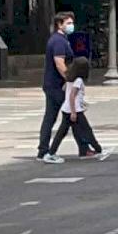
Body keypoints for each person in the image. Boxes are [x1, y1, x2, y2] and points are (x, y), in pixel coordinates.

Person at [44, 57, 107, 162]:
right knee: (87, 131)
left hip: (67, 109)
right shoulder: (78, 80)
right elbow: (72, 95)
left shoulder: (70, 78)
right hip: (75, 111)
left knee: (63, 133)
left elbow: (65, 89)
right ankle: (99, 150)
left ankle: (52, 152)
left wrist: (79, 102)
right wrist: (74, 111)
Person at [38, 12, 76, 163]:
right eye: (68, 23)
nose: (71, 26)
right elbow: (59, 63)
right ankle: (46, 151)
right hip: (56, 86)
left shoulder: (61, 39)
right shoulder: (59, 41)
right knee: (69, 115)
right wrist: (69, 79)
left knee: (59, 117)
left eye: (72, 23)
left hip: (54, 85)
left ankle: (44, 150)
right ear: (59, 25)